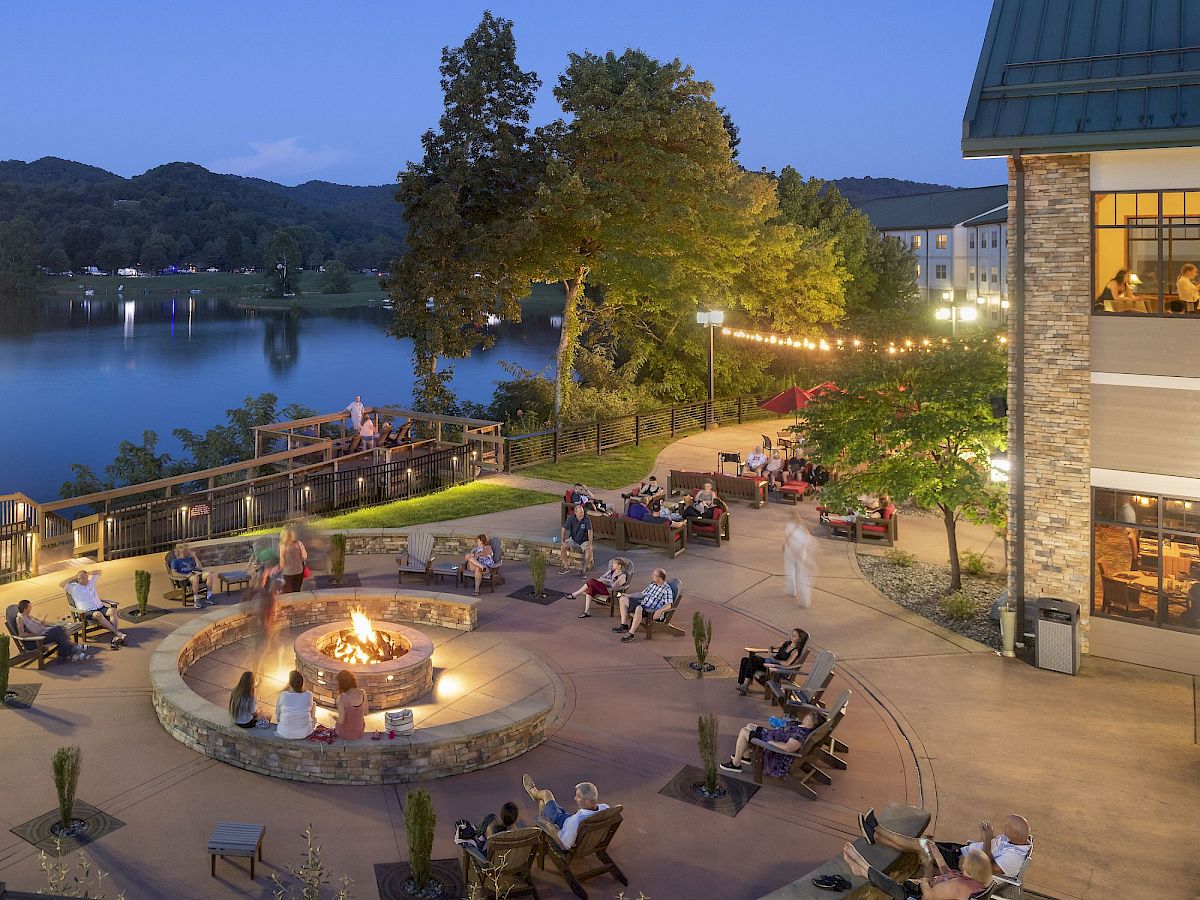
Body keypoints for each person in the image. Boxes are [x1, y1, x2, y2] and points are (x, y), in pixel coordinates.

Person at [859, 810, 1032, 881]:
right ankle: (876, 836)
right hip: (961, 850)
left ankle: (877, 829)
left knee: (920, 845)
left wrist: (987, 839)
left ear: (1015, 834)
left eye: (1005, 829)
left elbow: (985, 868)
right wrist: (984, 839)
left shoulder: (1014, 858)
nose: (1003, 831)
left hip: (960, 862)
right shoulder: (1015, 841)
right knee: (918, 846)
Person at [843, 841, 992, 900]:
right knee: (896, 886)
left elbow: (931, 895)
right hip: (927, 891)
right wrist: (937, 853)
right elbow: (948, 874)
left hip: (922, 895)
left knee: (893, 887)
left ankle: (862, 865)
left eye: (965, 865)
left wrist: (924, 882)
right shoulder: (976, 882)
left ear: (970, 869)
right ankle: (862, 869)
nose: (962, 865)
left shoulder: (961, 885)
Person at [521, 775, 608, 850]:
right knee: (544, 803)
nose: (575, 798)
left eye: (578, 796)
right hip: (569, 819)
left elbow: (563, 846)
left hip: (561, 823)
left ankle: (533, 792)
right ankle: (540, 811)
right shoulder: (605, 808)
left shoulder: (576, 821)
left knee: (546, 794)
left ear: (588, 801)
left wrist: (552, 830)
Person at [718, 711, 818, 774]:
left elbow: (788, 748)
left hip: (773, 747)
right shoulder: (802, 727)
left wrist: (771, 743)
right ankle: (745, 756)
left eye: (809, 718)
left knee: (744, 732)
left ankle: (736, 764)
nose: (806, 717)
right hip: (772, 736)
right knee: (750, 726)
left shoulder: (801, 733)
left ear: (811, 724)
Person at [735, 627, 806, 695]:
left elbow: (787, 663)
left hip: (775, 669)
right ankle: (743, 685)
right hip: (769, 663)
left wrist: (775, 661)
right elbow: (771, 647)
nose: (792, 636)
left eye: (795, 636)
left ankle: (745, 686)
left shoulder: (795, 651)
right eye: (792, 634)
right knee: (745, 660)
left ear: (800, 639)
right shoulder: (786, 643)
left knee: (754, 659)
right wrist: (771, 653)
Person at [64, 570, 125, 648]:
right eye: (79, 578)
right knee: (98, 614)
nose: (81, 580)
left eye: (84, 578)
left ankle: (115, 635)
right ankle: (117, 633)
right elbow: (61, 584)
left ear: (87, 577)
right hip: (86, 611)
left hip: (100, 607)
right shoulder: (73, 587)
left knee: (113, 610)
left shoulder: (91, 582)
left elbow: (99, 572)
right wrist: (74, 577)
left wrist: (87, 573)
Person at [15, 599, 88, 663]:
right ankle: (73, 647)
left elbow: (39, 623)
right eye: (29, 607)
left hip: (42, 634)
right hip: (36, 640)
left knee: (60, 635)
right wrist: (36, 635)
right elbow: (21, 634)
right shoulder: (20, 619)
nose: (31, 608)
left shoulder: (27, 616)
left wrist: (42, 622)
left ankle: (68, 653)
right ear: (25, 609)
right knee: (59, 630)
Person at [612, 568, 674, 643]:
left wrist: (660, 610)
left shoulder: (667, 589)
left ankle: (631, 634)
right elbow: (642, 594)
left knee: (638, 608)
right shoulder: (653, 584)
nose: (652, 576)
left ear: (660, 578)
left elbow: (669, 604)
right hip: (643, 603)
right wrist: (629, 595)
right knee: (622, 599)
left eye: (654, 575)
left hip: (651, 611)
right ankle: (624, 625)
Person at [456, 801, 522, 853]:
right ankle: (476, 831)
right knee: (492, 817)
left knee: (490, 817)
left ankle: (476, 832)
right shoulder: (520, 834)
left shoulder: (494, 833)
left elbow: (487, 847)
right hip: (510, 858)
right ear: (515, 817)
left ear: (502, 816)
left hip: (491, 859)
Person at [783, 516, 815, 607]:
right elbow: (808, 543)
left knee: (789, 571)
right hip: (801, 554)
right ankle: (805, 598)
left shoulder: (789, 526)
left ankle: (792, 590)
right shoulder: (805, 532)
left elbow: (787, 539)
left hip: (790, 552)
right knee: (800, 573)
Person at [275, 670, 316, 739]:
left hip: (284, 732)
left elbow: (277, 712)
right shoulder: (309, 695)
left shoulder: (283, 695)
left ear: (290, 683)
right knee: (313, 704)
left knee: (280, 712)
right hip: (304, 733)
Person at [559, 504, 594, 575]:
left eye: (583, 512)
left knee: (588, 550)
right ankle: (566, 567)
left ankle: (583, 570)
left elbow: (590, 532)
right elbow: (564, 528)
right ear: (575, 513)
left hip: (584, 541)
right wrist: (563, 541)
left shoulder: (586, 519)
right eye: (580, 513)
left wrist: (590, 544)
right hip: (573, 539)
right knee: (563, 547)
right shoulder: (571, 519)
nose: (582, 514)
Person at [333, 670, 366, 740]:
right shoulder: (363, 693)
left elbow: (341, 721)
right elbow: (366, 713)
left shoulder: (342, 697)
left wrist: (335, 718)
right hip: (359, 732)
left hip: (345, 734)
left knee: (336, 725)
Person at [278, 527, 308, 593]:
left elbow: (282, 564)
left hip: (288, 573)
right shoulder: (299, 543)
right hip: (299, 571)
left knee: (288, 593)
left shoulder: (283, 546)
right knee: (297, 591)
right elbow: (305, 556)